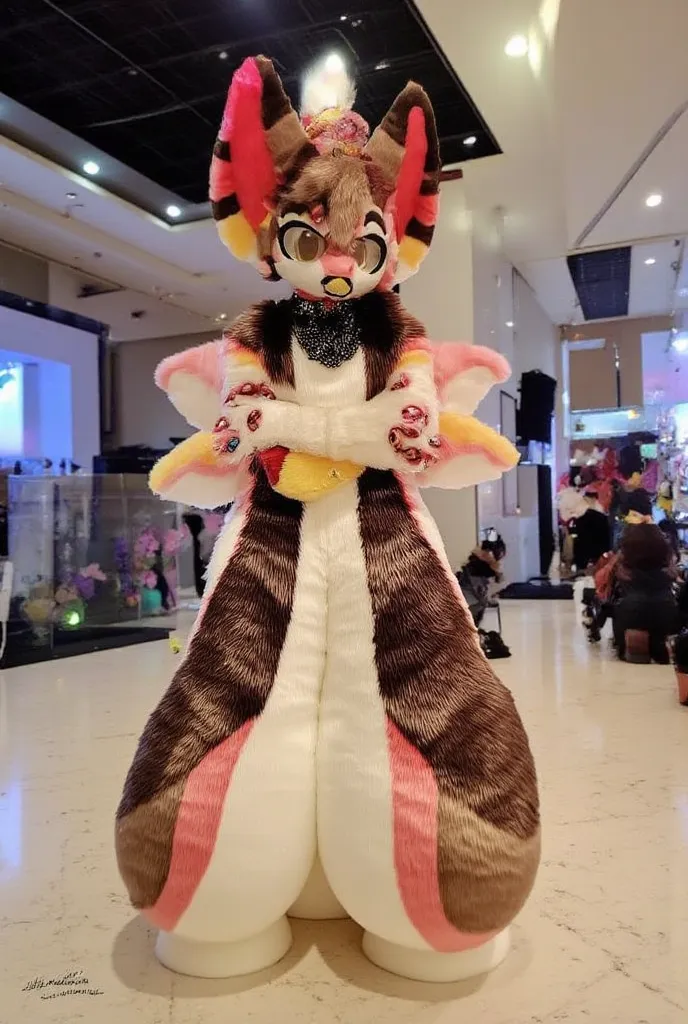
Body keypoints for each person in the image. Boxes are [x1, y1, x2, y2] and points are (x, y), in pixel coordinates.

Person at [612, 523, 680, 663]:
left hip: (631, 611)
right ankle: (659, 643)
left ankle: (631, 641)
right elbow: (676, 578)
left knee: (620, 606)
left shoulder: (624, 567)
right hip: (665, 610)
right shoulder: (667, 564)